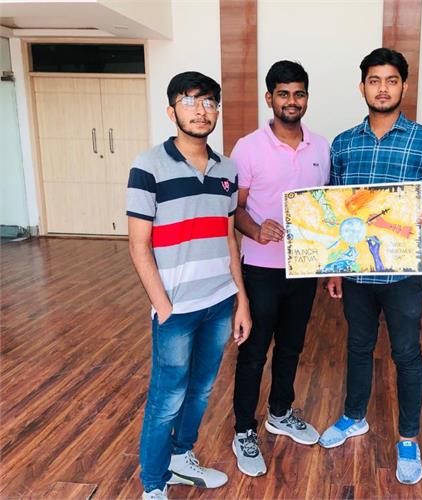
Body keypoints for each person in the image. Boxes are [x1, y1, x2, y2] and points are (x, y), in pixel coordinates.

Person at [319, 48, 422, 485]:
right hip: (357, 270)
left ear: (403, 86)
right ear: (362, 87)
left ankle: (408, 438)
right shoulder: (343, 143)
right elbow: (335, 207)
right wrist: (333, 267)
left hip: (403, 271)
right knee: (358, 346)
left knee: (406, 353)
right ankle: (354, 415)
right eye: (374, 80)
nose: (383, 88)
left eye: (391, 80)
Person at [127, 71, 251, 500]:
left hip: (219, 302)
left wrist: (241, 301)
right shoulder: (148, 166)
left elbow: (228, 238)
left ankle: (181, 457)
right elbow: (138, 245)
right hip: (176, 309)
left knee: (200, 390)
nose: (201, 110)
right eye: (190, 101)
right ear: (171, 111)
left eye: (209, 102)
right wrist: (163, 306)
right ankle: (153, 484)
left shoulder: (227, 169)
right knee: (166, 398)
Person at [230, 60, 330, 476]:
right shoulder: (247, 147)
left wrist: (331, 263)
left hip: (304, 268)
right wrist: (256, 230)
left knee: (291, 346)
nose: (292, 101)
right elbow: (234, 210)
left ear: (306, 97)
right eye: (284, 94)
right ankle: (243, 430)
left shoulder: (321, 147)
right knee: (254, 351)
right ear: (269, 98)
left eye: (299, 93)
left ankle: (280, 412)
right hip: (261, 269)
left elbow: (328, 209)